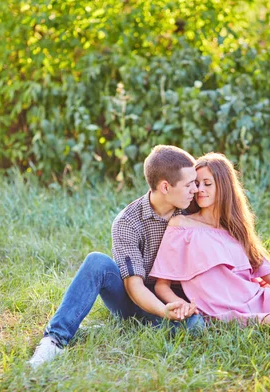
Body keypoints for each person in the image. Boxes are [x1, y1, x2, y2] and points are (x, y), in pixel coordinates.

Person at [28, 145, 204, 370]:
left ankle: (136, 327)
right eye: (189, 184)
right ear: (165, 187)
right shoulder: (128, 223)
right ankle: (54, 340)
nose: (196, 189)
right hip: (133, 299)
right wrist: (163, 311)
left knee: (196, 327)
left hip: (176, 298)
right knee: (97, 262)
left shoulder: (191, 209)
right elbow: (133, 287)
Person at [149, 152, 270, 328]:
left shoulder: (236, 229)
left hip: (258, 297)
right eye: (196, 183)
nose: (200, 190)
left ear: (224, 186)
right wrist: (182, 304)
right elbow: (161, 285)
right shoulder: (181, 225)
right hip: (226, 312)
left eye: (207, 184)